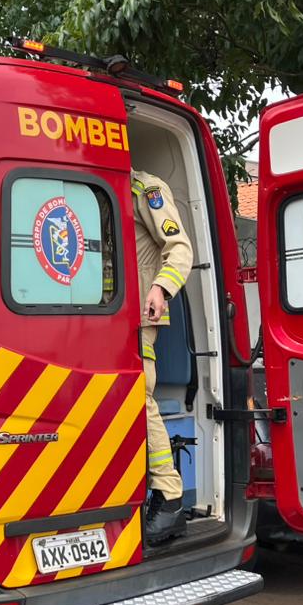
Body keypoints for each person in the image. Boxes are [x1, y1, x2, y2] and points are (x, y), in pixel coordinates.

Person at [131, 168, 194, 544]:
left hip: (139, 315)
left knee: (140, 398)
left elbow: (180, 248)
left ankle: (169, 499)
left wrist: (161, 287)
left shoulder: (146, 187)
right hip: (103, 313)